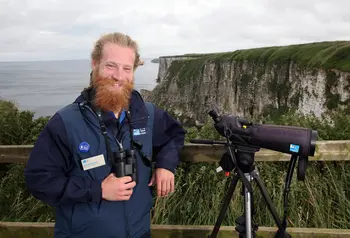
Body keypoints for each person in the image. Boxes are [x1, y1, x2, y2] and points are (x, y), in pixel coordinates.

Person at [24, 32, 186, 238]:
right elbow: (39, 180)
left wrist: (166, 165)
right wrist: (97, 190)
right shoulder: (65, 122)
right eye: (111, 65)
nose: (119, 76)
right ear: (95, 64)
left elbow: (175, 135)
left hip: (139, 232)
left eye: (127, 68)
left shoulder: (146, 113)